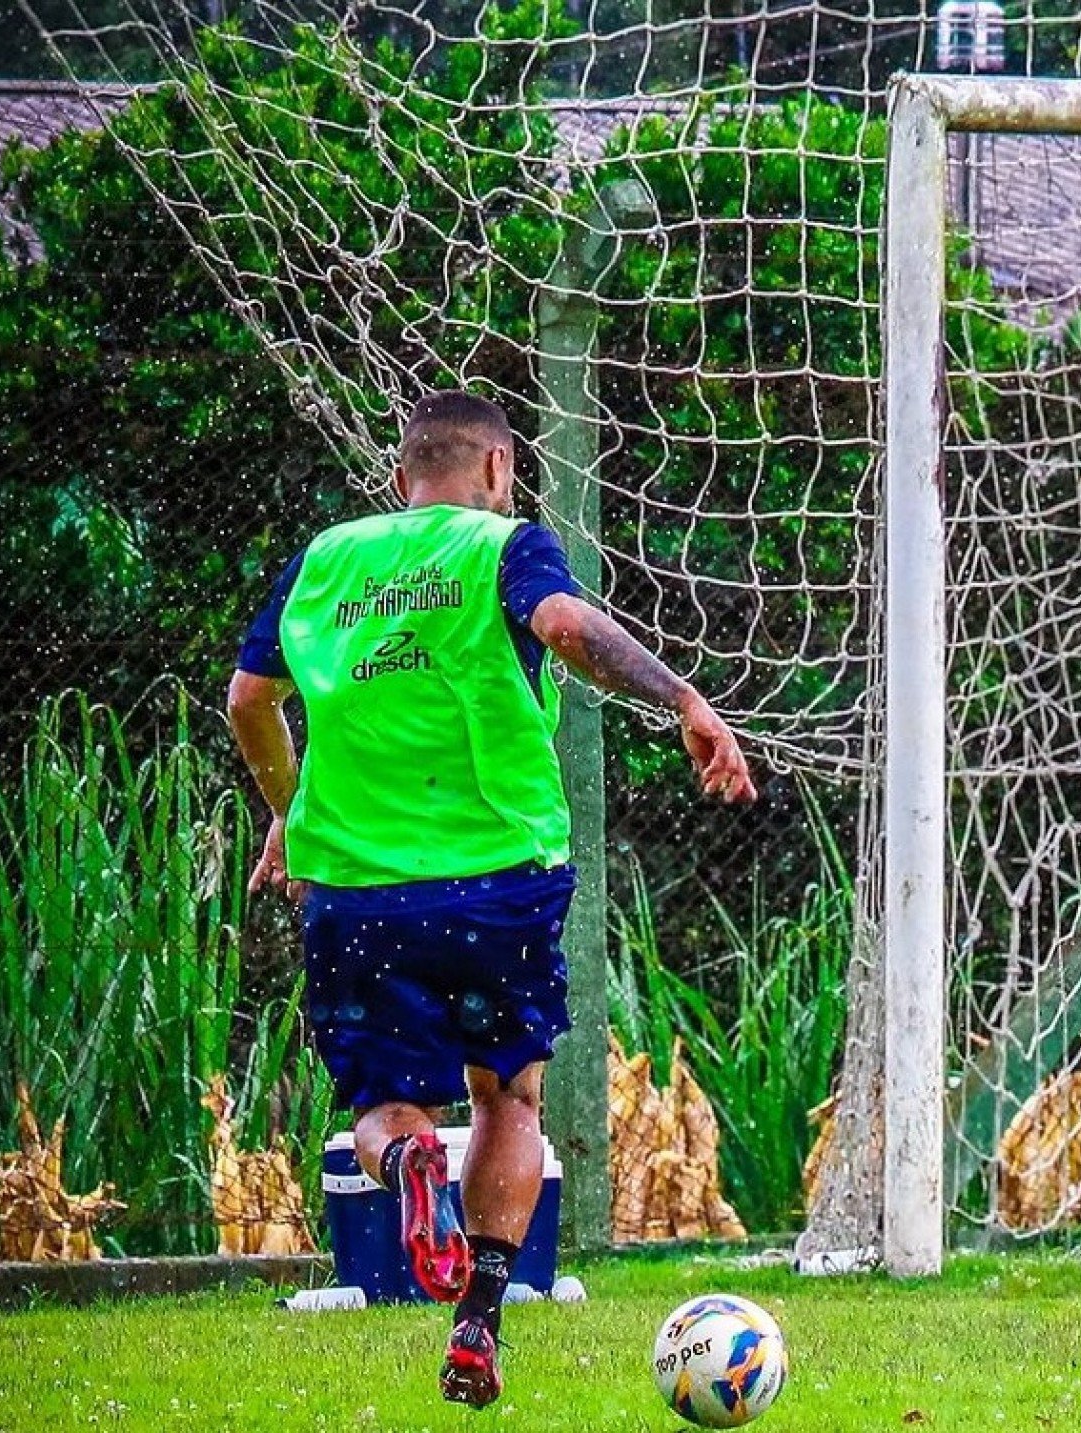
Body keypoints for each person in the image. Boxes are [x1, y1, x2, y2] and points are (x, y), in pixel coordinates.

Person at [228, 391, 757, 1407]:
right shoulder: (504, 547)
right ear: (500, 470)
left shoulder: (326, 559)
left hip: (353, 884)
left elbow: (251, 700)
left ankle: (410, 1163)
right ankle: (477, 1316)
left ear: (400, 478)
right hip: (500, 877)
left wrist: (293, 813)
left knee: (387, 1108)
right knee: (507, 1095)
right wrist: (683, 697)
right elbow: (563, 628)